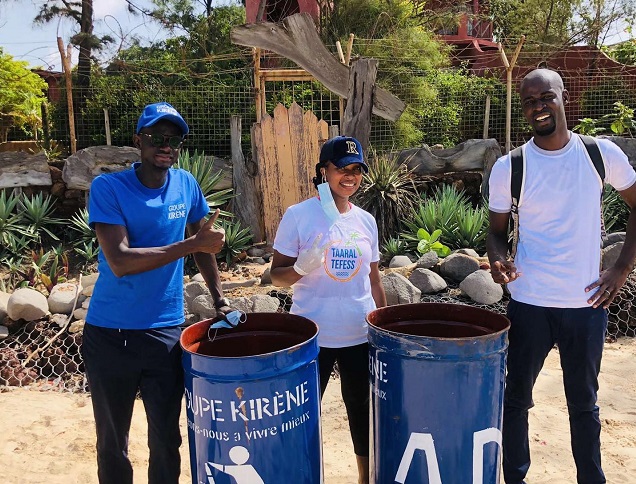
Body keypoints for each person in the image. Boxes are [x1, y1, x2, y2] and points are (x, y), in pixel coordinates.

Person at [487, 68, 636, 484]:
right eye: (530, 101)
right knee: (515, 400)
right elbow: (496, 235)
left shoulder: (599, 154)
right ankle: (514, 477)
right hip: (529, 303)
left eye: (545, 97)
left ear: (563, 96)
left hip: (585, 305)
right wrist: (498, 261)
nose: (538, 107)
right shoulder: (510, 166)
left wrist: (621, 268)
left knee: (584, 404)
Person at [83, 102, 233, 484]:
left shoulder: (187, 184)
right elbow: (120, 260)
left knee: (167, 438)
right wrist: (192, 244)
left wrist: (219, 299)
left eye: (174, 139)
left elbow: (202, 246)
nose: (166, 145)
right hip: (111, 335)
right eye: (157, 137)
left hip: (166, 333)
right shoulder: (108, 188)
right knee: (113, 442)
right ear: (139, 141)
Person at [270, 136, 387, 484]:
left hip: (359, 335)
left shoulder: (365, 221)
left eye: (356, 170)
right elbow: (276, 278)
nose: (349, 177)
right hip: (311, 339)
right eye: (341, 169)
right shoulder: (298, 216)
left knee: (363, 416)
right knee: (302, 416)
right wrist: (300, 270)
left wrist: (386, 326)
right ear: (324, 171)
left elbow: (375, 279)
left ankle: (365, 479)